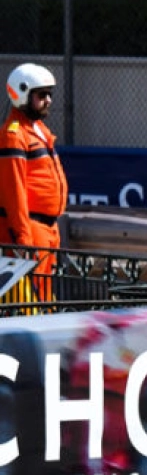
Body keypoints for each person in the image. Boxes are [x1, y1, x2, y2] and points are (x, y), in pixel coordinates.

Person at [2, 63, 68, 302]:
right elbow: (14, 191)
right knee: (31, 297)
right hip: (31, 229)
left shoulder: (38, 130)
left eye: (49, 94)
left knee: (45, 294)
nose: (48, 100)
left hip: (47, 228)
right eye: (42, 95)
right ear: (21, 93)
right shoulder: (15, 134)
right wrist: (23, 239)